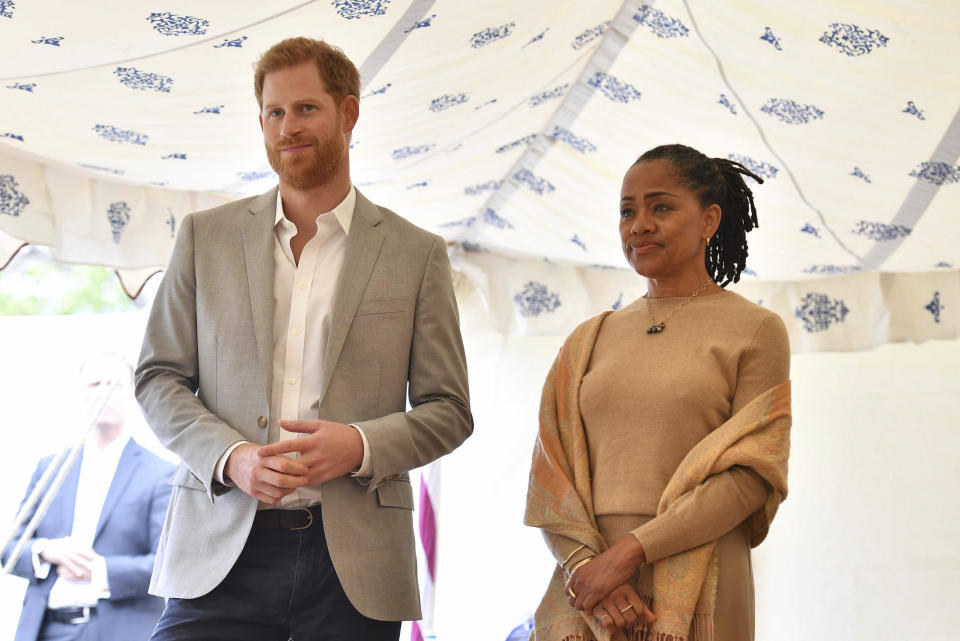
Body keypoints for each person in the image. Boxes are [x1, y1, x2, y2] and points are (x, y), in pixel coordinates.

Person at [135, 37, 472, 641]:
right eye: (274, 112)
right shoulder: (203, 238)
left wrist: (361, 445)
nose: (287, 126)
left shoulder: (417, 254)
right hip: (217, 553)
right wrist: (230, 457)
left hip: (354, 570)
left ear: (349, 113)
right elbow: (158, 377)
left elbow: (449, 410)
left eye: (306, 109)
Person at [525, 144, 792, 641]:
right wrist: (589, 567)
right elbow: (551, 474)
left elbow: (754, 474)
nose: (639, 224)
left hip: (703, 572)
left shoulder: (755, 329)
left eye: (661, 207)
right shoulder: (588, 339)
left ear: (709, 219)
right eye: (627, 210)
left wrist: (626, 555)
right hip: (590, 585)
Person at [4, 353, 173, 641]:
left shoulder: (162, 474)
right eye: (95, 383)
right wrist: (46, 551)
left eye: (114, 384)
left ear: (133, 395)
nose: (104, 392)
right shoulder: (50, 468)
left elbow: (167, 563)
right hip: (44, 630)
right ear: (80, 392)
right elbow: (10, 549)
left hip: (120, 631)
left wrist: (99, 571)